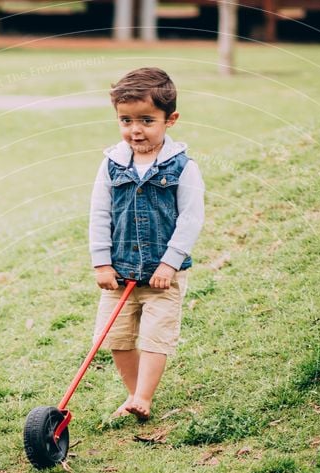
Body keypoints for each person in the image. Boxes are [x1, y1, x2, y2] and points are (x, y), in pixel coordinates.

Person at [89, 66, 205, 420]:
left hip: (161, 277)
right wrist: (101, 262)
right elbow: (99, 214)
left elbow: (190, 219)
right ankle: (133, 395)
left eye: (146, 120)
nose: (135, 130)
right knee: (116, 339)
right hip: (120, 273)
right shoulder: (111, 165)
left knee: (156, 337)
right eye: (125, 120)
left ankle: (144, 398)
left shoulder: (183, 168)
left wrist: (169, 264)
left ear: (170, 120)